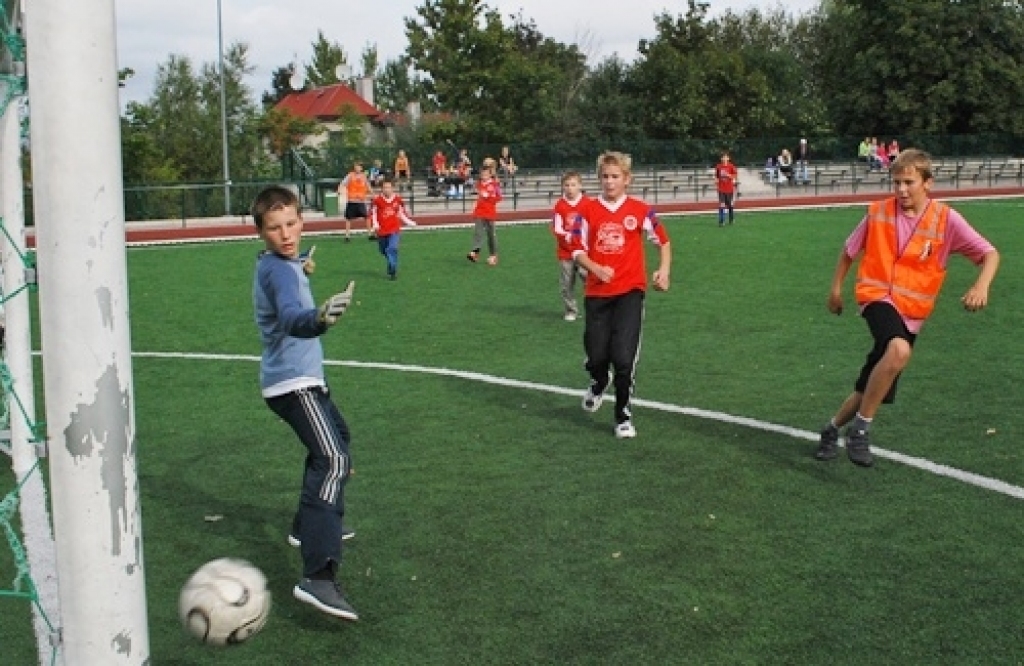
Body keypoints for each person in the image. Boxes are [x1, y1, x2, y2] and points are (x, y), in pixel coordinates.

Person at [815, 148, 1000, 467]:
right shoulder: (878, 212)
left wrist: (981, 285)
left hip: (912, 314)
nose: (900, 190)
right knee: (898, 352)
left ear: (928, 183)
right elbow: (849, 250)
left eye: (908, 182)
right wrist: (835, 290)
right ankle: (860, 432)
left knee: (870, 386)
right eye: (896, 182)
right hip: (876, 297)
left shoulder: (946, 220)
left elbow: (989, 253)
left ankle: (831, 430)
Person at [250, 184, 360, 621]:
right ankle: (318, 576)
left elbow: (289, 277)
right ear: (260, 231)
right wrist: (316, 319)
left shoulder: (283, 263)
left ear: (301, 220)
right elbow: (294, 316)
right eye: (274, 228)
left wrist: (302, 267)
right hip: (291, 383)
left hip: (303, 380)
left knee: (338, 442)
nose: (286, 234)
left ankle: (304, 527)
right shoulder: (278, 271)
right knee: (333, 458)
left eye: (292, 224)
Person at [572, 151, 671, 439]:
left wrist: (663, 271)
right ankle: (599, 380)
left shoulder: (641, 210)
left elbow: (663, 242)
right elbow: (577, 250)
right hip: (597, 294)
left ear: (627, 179)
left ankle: (623, 416)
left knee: (624, 359)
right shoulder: (588, 211)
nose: (609, 182)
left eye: (615, 176)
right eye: (605, 176)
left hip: (630, 292)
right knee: (597, 353)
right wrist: (595, 267)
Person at [551, 170, 588, 321]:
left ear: (580, 186)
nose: (570, 188)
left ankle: (594, 307)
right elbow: (557, 227)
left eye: (573, 185)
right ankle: (571, 310)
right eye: (566, 185)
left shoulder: (588, 204)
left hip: (584, 251)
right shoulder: (560, 205)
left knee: (588, 278)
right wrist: (567, 236)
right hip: (565, 251)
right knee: (567, 283)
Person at [369, 177, 418, 280]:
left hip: (394, 229)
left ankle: (393, 270)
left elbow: (401, 213)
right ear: (381, 189)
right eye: (385, 187)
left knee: (392, 248)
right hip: (382, 230)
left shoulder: (398, 200)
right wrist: (375, 224)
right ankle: (391, 263)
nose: (387, 189)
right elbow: (373, 214)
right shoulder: (377, 201)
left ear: (392, 188)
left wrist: (409, 222)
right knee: (383, 251)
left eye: (389, 187)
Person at [466, 160, 503, 265]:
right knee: (478, 232)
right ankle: (475, 252)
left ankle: (493, 255)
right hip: (480, 212)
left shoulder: (495, 184)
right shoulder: (479, 183)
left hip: (490, 213)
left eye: (486, 174)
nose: (484, 175)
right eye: (482, 174)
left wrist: (489, 196)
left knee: (491, 235)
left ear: (490, 174)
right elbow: (471, 178)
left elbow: (499, 197)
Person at [338, 161, 371, 242]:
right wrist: (339, 189)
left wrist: (371, 192)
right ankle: (347, 236)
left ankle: (370, 234)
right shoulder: (350, 175)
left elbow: (368, 186)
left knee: (367, 217)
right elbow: (342, 183)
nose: (357, 168)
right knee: (348, 218)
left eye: (359, 167)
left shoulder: (364, 176)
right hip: (352, 200)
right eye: (356, 166)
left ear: (361, 168)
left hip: (360, 201)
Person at [714, 151, 739, 226]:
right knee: (722, 205)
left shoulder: (731, 166)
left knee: (730, 205)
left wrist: (728, 175)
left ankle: (731, 219)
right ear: (721, 158)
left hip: (729, 189)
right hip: (721, 189)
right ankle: (721, 221)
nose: (724, 158)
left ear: (728, 158)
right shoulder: (718, 167)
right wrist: (716, 181)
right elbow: (717, 176)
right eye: (723, 157)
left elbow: (735, 176)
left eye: (726, 157)